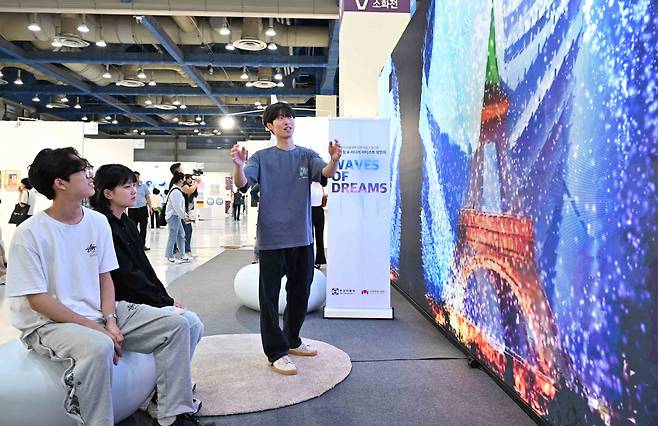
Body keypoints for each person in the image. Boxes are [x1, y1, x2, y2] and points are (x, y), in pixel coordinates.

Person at [5, 147, 200, 426]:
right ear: (60, 183)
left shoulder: (97, 222)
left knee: (178, 325)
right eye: (82, 170)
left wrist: (109, 319)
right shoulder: (30, 233)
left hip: (100, 311)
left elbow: (105, 278)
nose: (89, 174)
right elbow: (37, 300)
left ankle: (171, 415)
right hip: (47, 324)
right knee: (98, 347)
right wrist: (97, 328)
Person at [230, 102, 341, 375]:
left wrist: (334, 160)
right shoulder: (261, 157)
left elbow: (325, 174)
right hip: (271, 240)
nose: (285, 121)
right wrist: (239, 165)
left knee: (300, 293)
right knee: (269, 298)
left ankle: (292, 339)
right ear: (269, 126)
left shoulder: (306, 156)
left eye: (289, 116)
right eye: (278, 118)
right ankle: (275, 351)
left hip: (302, 239)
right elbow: (242, 184)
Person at [165, 172, 191, 264]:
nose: (185, 180)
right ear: (180, 180)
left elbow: (179, 207)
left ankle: (183, 254)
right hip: (173, 216)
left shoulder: (177, 190)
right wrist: (184, 216)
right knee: (173, 235)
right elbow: (177, 207)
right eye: (183, 178)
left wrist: (184, 214)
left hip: (176, 216)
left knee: (181, 235)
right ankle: (169, 255)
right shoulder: (175, 191)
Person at [127, 171, 151, 251]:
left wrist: (150, 207)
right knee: (133, 228)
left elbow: (148, 197)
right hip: (132, 209)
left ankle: (142, 245)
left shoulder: (144, 186)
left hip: (143, 209)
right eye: (135, 176)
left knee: (143, 228)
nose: (136, 178)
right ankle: (135, 245)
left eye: (137, 176)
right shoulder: (129, 187)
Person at [310, 180, 327, 269]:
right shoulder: (308, 185)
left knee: (320, 237)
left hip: (320, 211)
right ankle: (309, 260)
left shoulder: (321, 185)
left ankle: (319, 260)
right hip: (309, 212)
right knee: (310, 238)